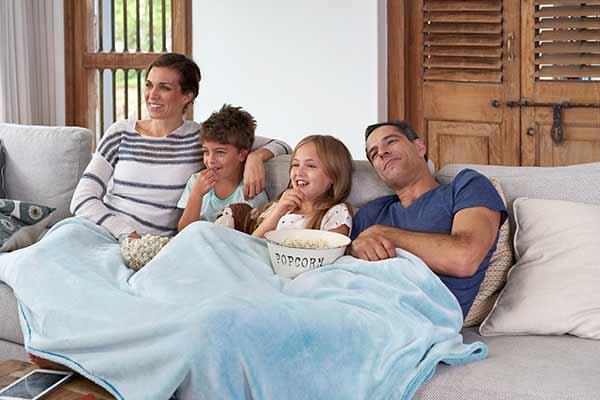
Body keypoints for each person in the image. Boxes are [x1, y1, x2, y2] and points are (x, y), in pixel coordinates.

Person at [69, 53, 291, 240]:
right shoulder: (121, 132)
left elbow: (280, 145)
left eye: (164, 88)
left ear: (187, 95)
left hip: (151, 246)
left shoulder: (200, 138)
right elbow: (82, 199)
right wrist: (126, 233)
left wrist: (256, 157)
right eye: (149, 85)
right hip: (99, 232)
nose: (151, 95)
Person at [349, 121, 507, 317]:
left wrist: (382, 234)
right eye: (374, 154)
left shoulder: (466, 186)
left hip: (423, 317)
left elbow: (464, 258)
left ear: (419, 147)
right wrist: (352, 249)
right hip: (359, 305)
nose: (382, 153)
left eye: (390, 142)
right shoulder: (371, 213)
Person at [177, 104, 269, 231]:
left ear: (242, 154)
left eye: (220, 152)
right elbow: (183, 232)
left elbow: (254, 237)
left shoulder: (252, 190)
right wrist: (196, 195)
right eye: (206, 152)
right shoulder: (196, 181)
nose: (211, 160)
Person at [252, 135, 353, 238]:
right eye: (295, 165)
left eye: (311, 166)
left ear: (333, 175)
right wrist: (278, 211)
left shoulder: (336, 213)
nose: (299, 172)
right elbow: (251, 244)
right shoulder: (279, 207)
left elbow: (331, 250)